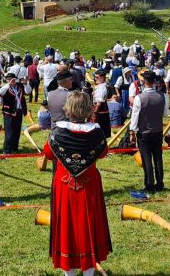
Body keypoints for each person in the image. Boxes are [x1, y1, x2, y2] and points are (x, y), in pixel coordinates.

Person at [44, 91, 111, 276]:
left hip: (65, 185)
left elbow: (48, 154)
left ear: (68, 109)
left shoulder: (57, 131)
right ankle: (88, 272)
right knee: (88, 227)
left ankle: (69, 273)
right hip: (88, 185)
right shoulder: (96, 132)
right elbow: (104, 153)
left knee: (67, 228)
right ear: (88, 109)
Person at [130, 70, 167, 195]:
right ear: (154, 82)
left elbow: (134, 118)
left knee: (146, 159)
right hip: (158, 131)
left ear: (143, 82)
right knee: (158, 158)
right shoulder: (162, 96)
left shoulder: (139, 98)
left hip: (144, 132)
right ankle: (160, 182)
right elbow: (166, 114)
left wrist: (132, 132)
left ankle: (149, 184)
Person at [0, 72, 30, 154]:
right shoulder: (5, 88)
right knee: (9, 131)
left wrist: (26, 83)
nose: (12, 81)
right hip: (9, 112)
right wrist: (8, 84)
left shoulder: (19, 86)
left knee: (17, 131)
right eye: (9, 79)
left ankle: (14, 148)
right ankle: (7, 150)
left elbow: (28, 91)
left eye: (13, 79)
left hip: (19, 111)